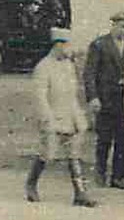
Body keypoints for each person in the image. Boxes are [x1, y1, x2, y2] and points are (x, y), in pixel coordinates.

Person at [25, 27, 95, 207]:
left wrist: (79, 117)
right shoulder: (43, 67)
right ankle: (31, 184)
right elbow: (40, 97)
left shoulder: (68, 65)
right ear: (58, 45)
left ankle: (80, 193)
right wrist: (47, 119)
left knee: (74, 155)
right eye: (68, 46)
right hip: (53, 117)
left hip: (69, 116)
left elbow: (72, 94)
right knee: (48, 154)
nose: (71, 51)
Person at [83, 11, 124, 188]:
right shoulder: (99, 45)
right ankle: (100, 173)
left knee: (123, 139)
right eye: (123, 27)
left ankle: (118, 176)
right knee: (104, 138)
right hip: (105, 99)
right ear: (113, 25)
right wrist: (93, 97)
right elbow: (89, 73)